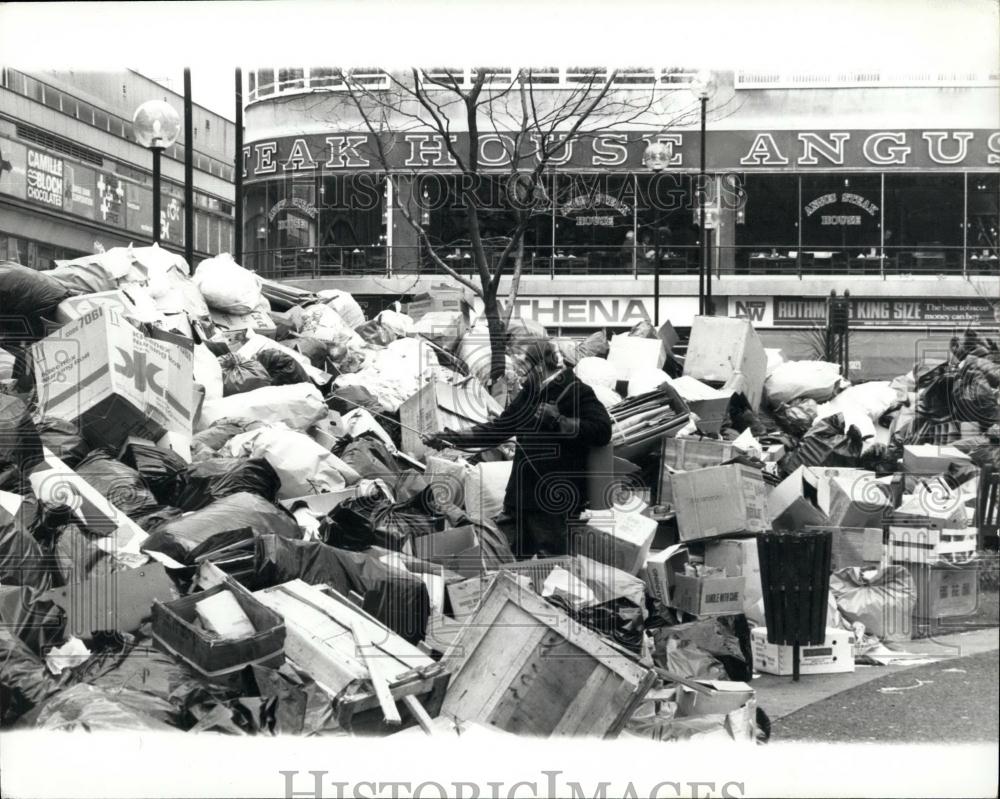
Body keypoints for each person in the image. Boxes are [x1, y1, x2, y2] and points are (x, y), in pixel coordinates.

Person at [422, 338, 613, 559]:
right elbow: (498, 429)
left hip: (552, 501)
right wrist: (447, 438)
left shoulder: (576, 391)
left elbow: (602, 431)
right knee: (504, 557)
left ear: (541, 365)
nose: (519, 373)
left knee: (550, 565)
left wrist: (558, 420)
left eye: (523, 366)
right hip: (520, 495)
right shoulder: (530, 392)